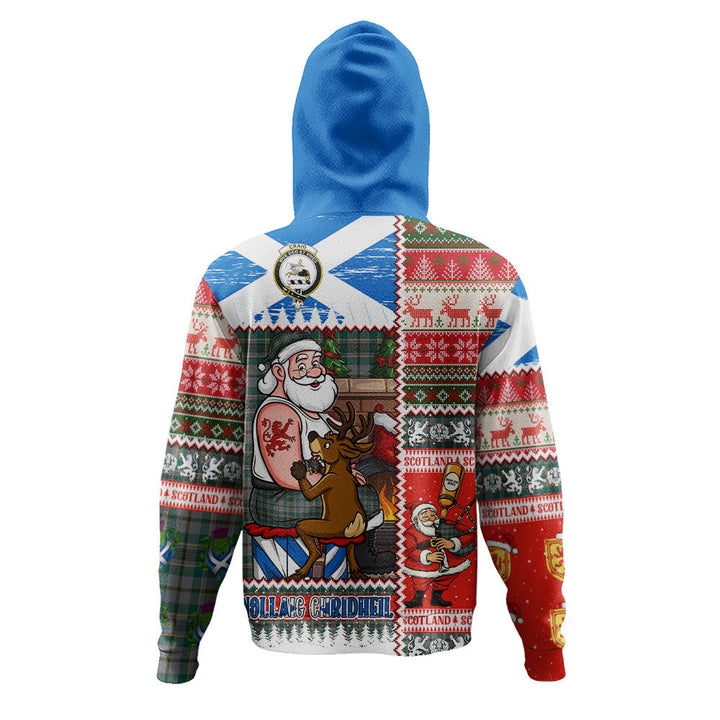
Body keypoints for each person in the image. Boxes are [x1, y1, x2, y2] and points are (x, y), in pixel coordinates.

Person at [249, 329, 395, 574]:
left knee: (364, 488)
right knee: (365, 497)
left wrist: (346, 473)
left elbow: (325, 458)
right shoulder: (277, 413)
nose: (314, 372)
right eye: (302, 366)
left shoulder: (310, 410)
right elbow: (288, 474)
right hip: (277, 498)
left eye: (315, 363)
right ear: (279, 372)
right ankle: (362, 556)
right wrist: (339, 483)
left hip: (310, 489)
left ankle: (358, 555)